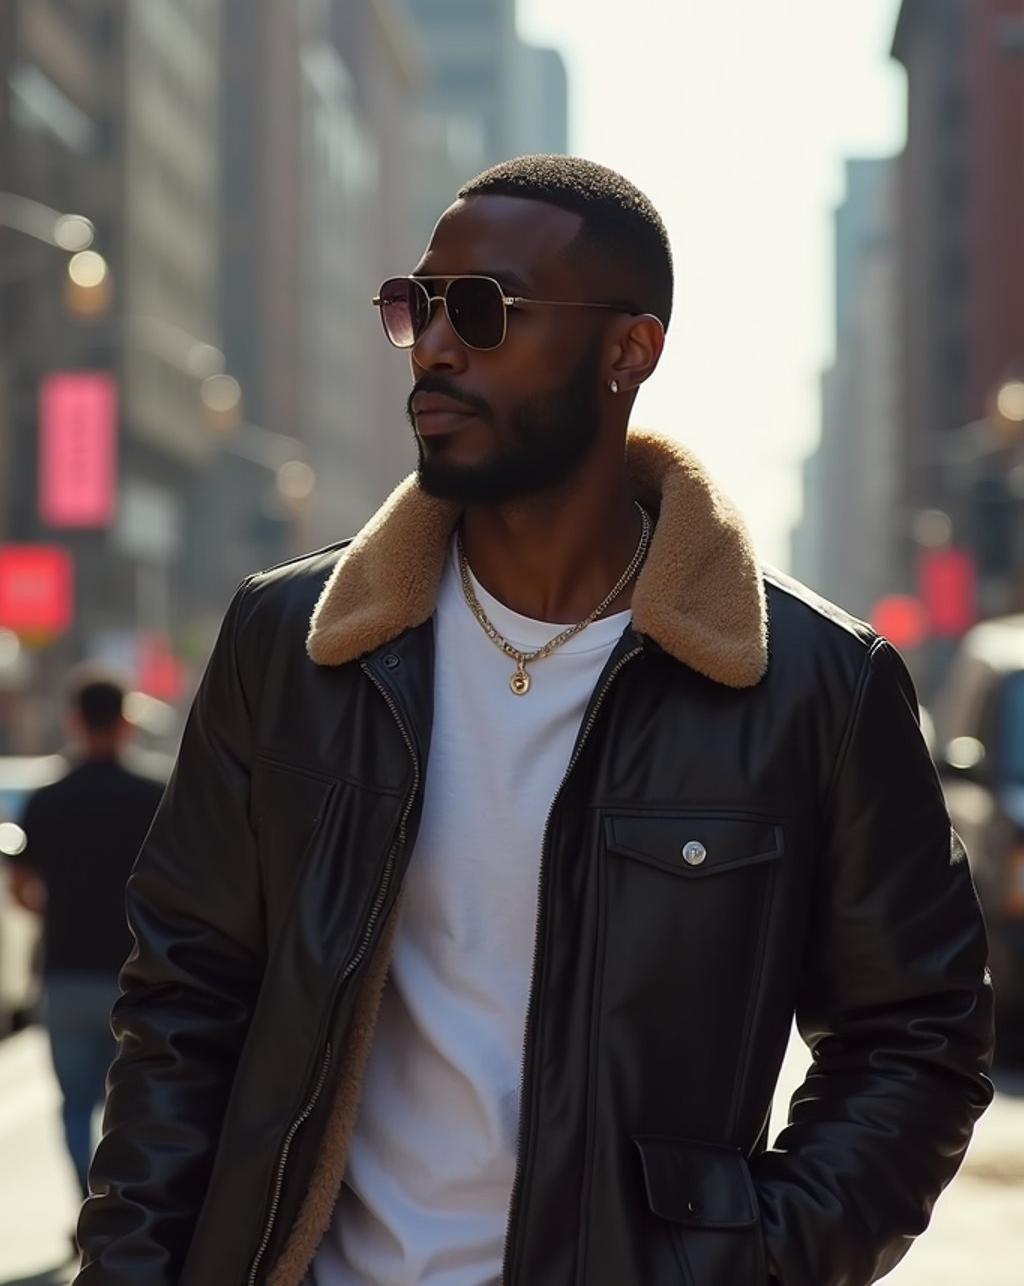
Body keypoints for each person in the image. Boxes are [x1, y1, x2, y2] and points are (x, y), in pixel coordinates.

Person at [76, 156, 992, 1286]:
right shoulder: (294, 643)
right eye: (416, 306)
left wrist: (749, 1261)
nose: (435, 347)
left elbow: (917, 1035)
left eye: (483, 310)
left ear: (628, 350)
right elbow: (183, 998)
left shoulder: (813, 686)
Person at [8, 667, 163, 1201]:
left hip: (66, 972)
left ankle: (89, 1209)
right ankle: (125, 1211)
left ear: (74, 721)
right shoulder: (156, 797)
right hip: (138, 975)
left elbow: (23, 888)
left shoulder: (48, 798)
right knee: (136, 1105)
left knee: (75, 1105)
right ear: (125, 723)